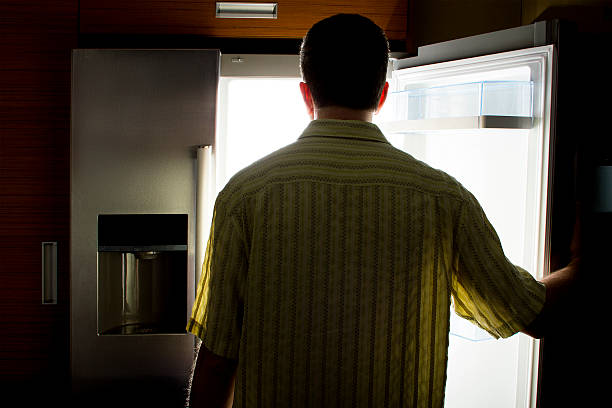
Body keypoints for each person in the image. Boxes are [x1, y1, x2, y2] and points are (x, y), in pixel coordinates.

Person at [186, 14, 580, 408]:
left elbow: (218, 360)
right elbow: (532, 314)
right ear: (383, 95)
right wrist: (584, 264)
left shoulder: (245, 194)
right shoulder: (442, 197)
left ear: (306, 95)